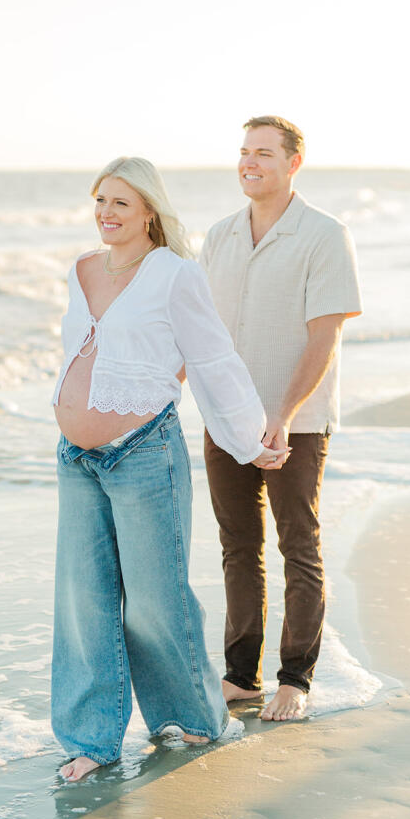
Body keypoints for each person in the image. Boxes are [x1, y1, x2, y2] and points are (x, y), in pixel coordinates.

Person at [51, 156, 285, 781]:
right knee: (83, 602)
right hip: (76, 460)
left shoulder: (175, 274)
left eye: (120, 203)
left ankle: (193, 717)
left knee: (155, 601)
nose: (106, 213)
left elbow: (211, 359)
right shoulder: (81, 270)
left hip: (143, 452)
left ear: (149, 211)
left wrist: (248, 439)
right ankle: (91, 741)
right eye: (100, 200)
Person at [200, 116, 362, 722]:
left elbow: (325, 336)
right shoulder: (219, 235)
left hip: (297, 420)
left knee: (298, 544)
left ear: (293, 162)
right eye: (244, 151)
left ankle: (295, 679)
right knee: (238, 547)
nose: (249, 162)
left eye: (264, 153)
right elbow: (199, 333)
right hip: (225, 421)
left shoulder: (324, 234)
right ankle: (240, 677)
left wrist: (281, 412)